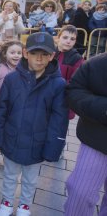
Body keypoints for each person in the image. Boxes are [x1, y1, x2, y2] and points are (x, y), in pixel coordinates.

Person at [0, 32, 69, 216]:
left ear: (52, 55)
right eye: (34, 53)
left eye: (44, 54)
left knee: (30, 179)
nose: (39, 58)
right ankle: (7, 202)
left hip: (37, 143)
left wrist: (53, 148)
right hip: (11, 139)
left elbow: (59, 120)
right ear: (26, 53)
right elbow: (1, 110)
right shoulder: (11, 79)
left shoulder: (58, 84)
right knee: (9, 175)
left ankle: (25, 205)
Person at [63, 53, 107, 216]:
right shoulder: (99, 63)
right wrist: (103, 108)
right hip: (98, 137)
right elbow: (74, 90)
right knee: (80, 193)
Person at [0, 40, 23, 166]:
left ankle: (4, 147)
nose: (16, 55)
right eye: (12, 52)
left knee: (10, 128)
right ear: (5, 54)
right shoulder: (0, 69)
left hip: (15, 107)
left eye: (19, 52)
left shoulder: (23, 70)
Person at [54, 25, 84, 120]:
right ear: (58, 38)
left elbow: (75, 83)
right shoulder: (49, 53)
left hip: (63, 102)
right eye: (65, 37)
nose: (68, 41)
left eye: (72, 39)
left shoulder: (77, 59)